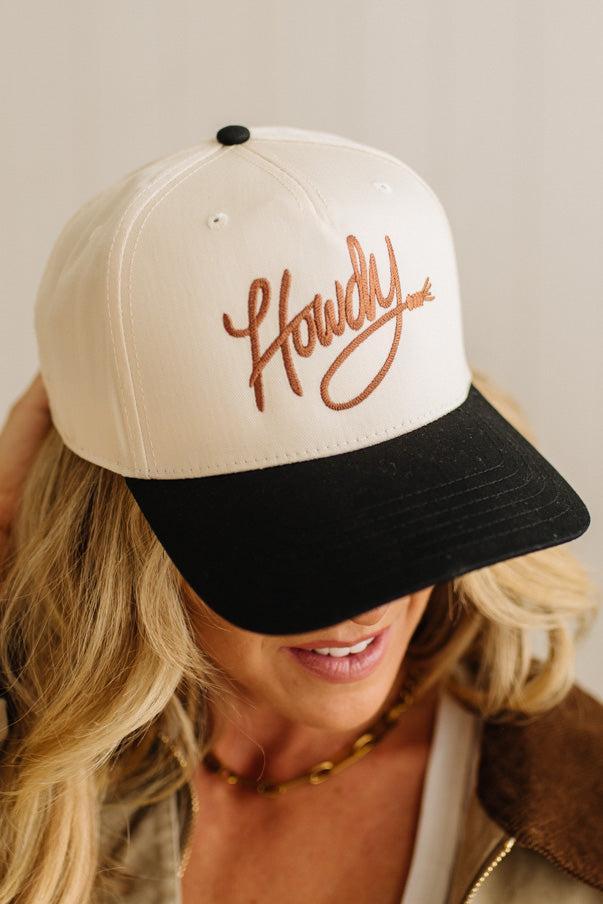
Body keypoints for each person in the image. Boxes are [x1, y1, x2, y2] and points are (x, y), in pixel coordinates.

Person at [1, 126, 602, 904]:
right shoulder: (37, 775)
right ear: (123, 540)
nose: (365, 606)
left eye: (413, 505)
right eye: (292, 540)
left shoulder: (578, 826)